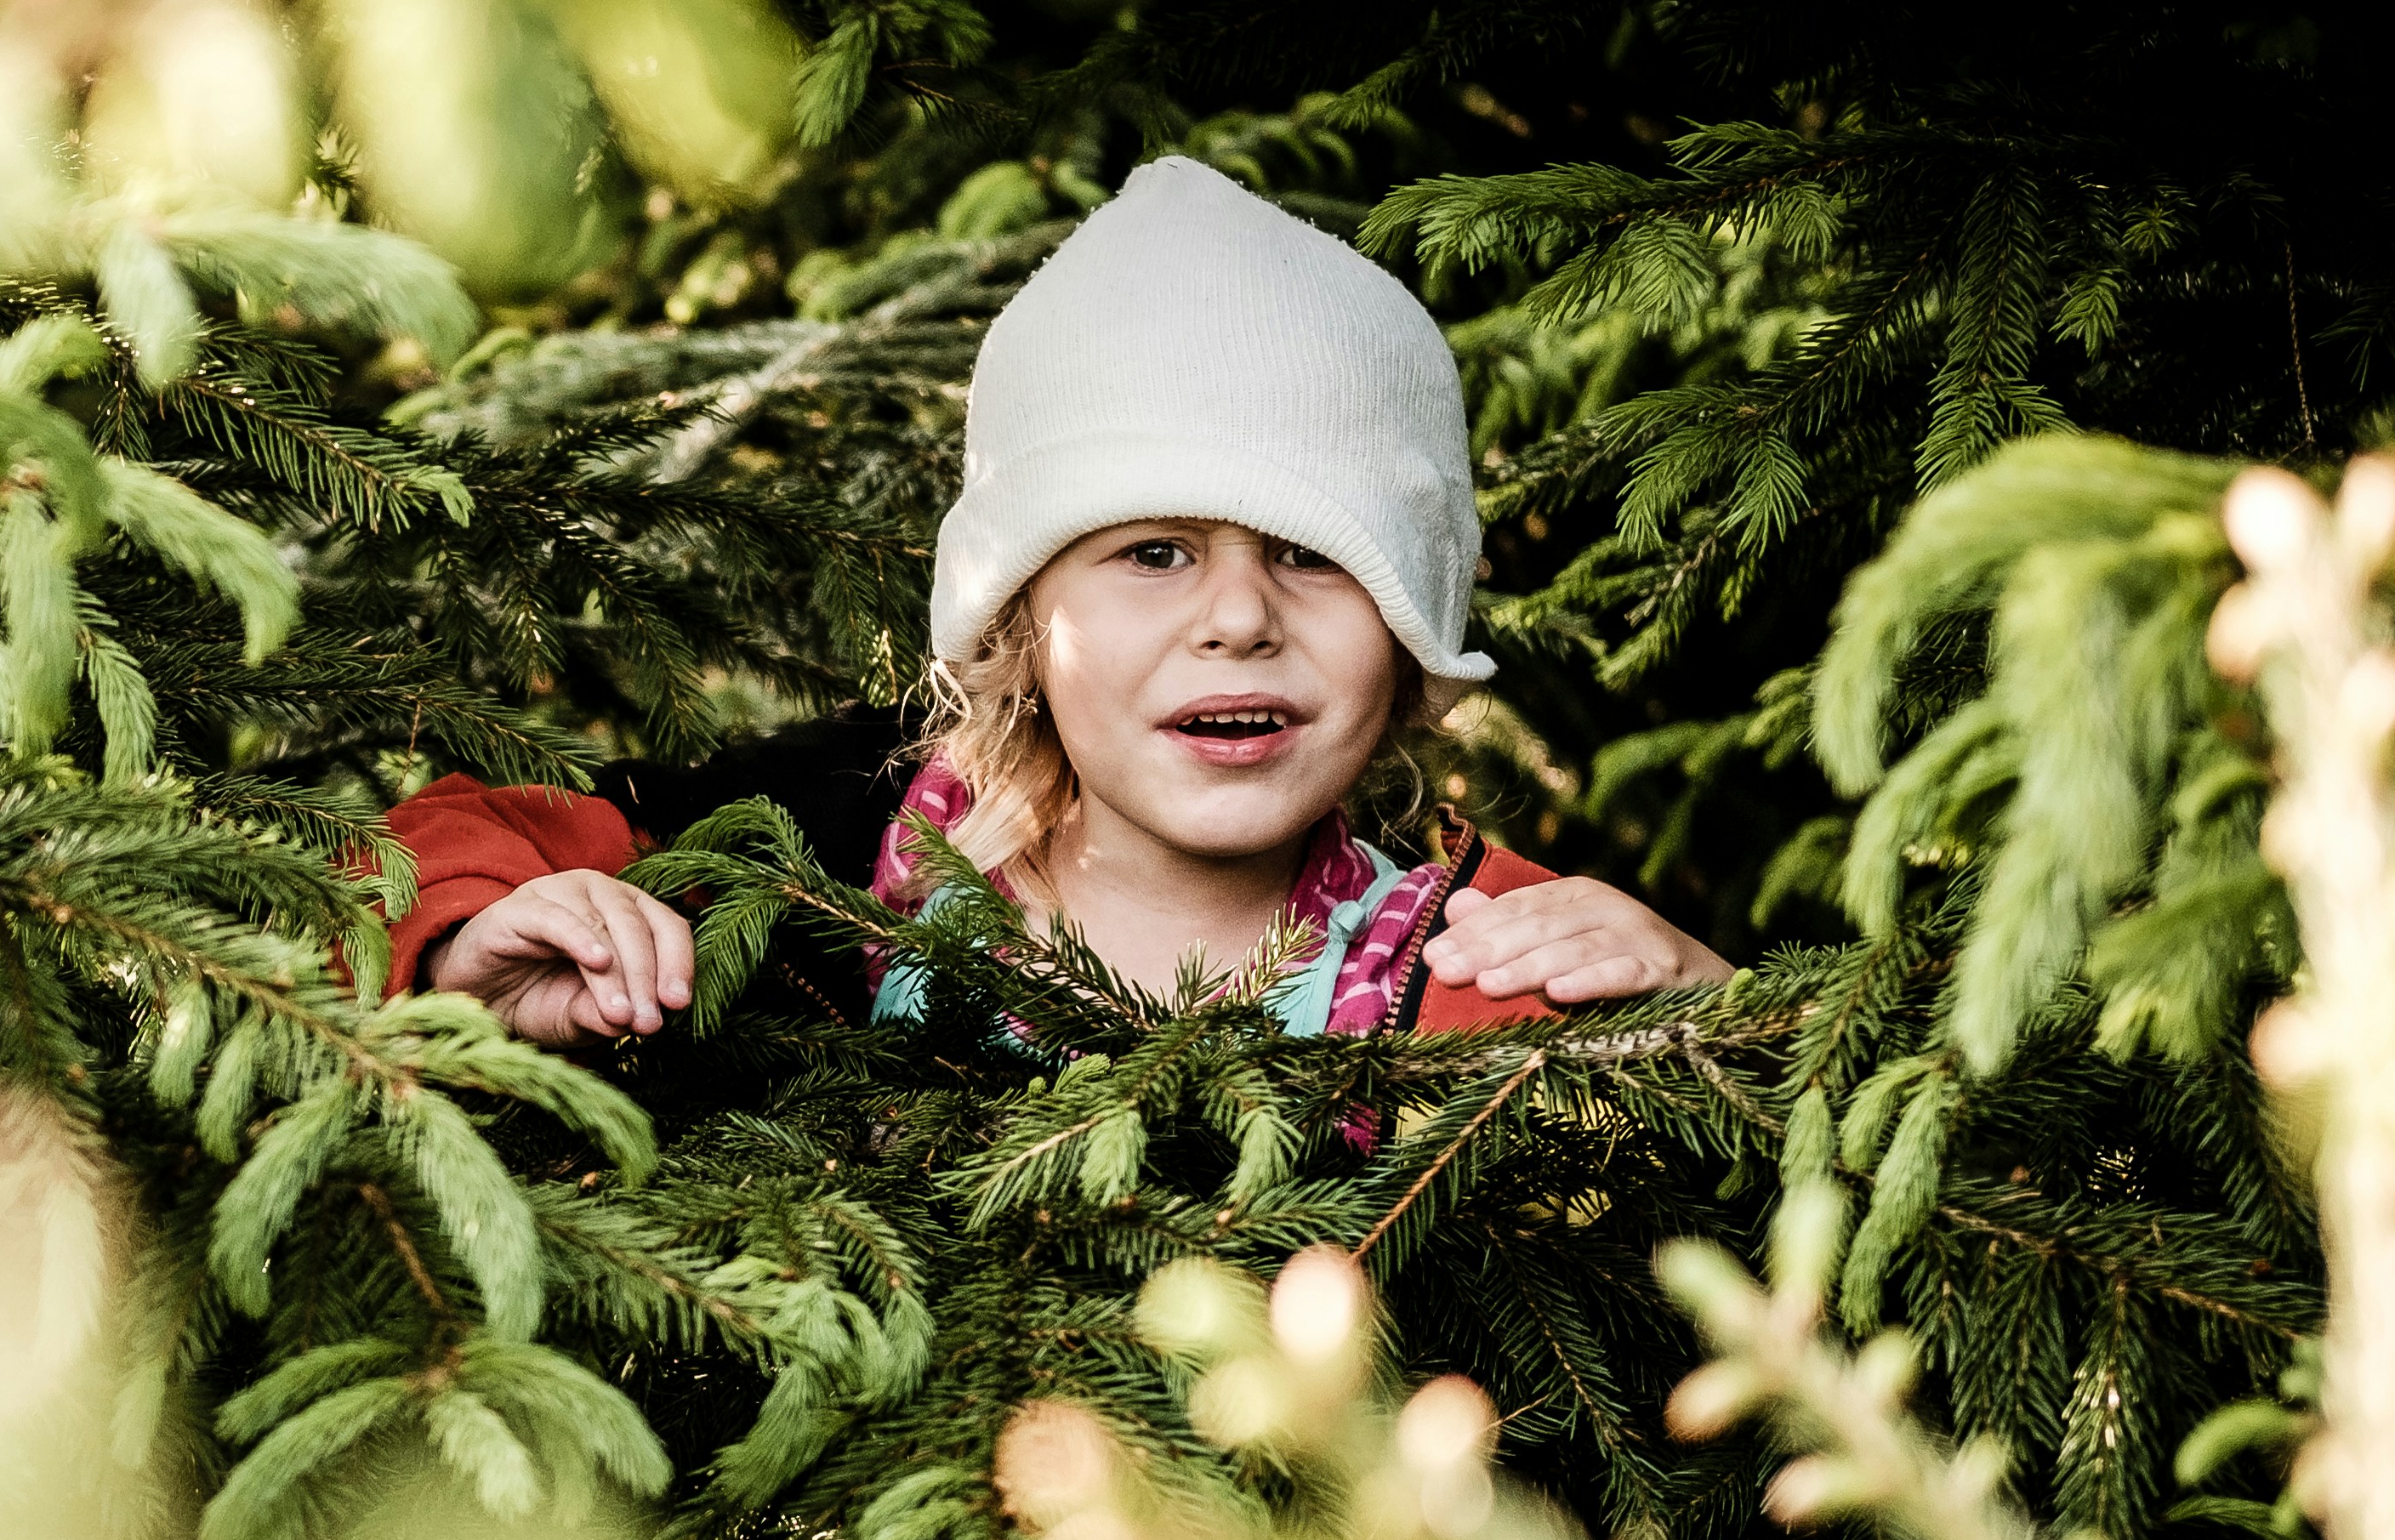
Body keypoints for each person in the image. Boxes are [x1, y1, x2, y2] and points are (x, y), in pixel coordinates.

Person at [378, 156, 1727, 1050]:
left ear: (1410, 629)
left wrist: (1714, 1010)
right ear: (1020, 613)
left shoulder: (1486, 952)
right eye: (1154, 552)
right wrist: (463, 954)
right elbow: (433, 839)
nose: (1240, 617)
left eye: (1314, 555)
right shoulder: (818, 840)